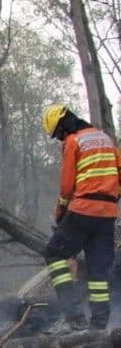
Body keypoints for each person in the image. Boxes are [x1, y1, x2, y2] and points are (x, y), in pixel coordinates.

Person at [41, 104, 121, 330]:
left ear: (63, 127)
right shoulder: (105, 139)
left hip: (83, 209)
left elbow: (67, 188)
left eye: (57, 134)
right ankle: (98, 326)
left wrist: (61, 216)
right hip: (107, 213)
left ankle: (75, 318)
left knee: (54, 254)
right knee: (99, 269)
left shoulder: (73, 141)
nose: (59, 138)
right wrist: (111, 198)